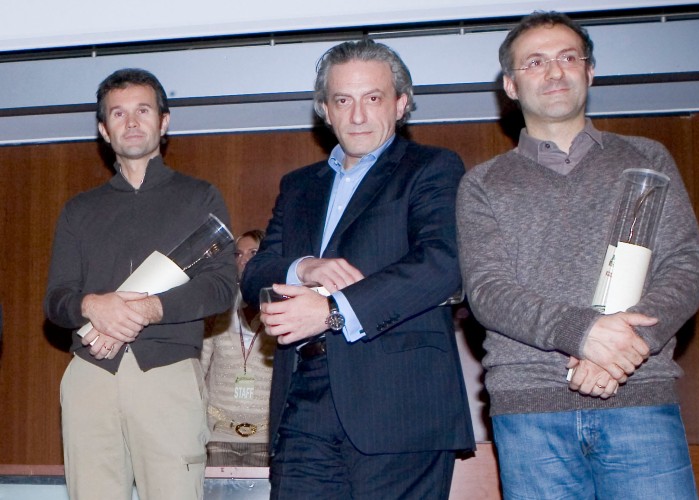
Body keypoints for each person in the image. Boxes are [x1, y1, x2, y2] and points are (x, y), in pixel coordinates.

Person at [456, 11, 699, 499]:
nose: (554, 72)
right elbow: (488, 292)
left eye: (568, 58)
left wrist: (619, 354)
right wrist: (585, 333)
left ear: (589, 72)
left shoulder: (647, 158)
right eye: (535, 62)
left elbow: (684, 265)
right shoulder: (482, 183)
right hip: (530, 411)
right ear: (510, 85)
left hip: (640, 397)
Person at [241, 39, 475, 499]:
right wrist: (304, 267)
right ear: (324, 110)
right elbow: (254, 275)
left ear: (401, 104)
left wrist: (332, 311)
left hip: (400, 404)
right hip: (302, 399)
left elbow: (443, 263)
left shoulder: (432, 167)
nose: (358, 115)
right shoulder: (298, 186)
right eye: (343, 100)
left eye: (373, 98)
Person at [44, 68, 236, 500]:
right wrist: (93, 306)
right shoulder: (79, 210)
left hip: (167, 372)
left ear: (164, 122)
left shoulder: (199, 197)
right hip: (91, 373)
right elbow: (56, 301)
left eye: (143, 110)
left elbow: (221, 287)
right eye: (118, 113)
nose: (131, 122)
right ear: (103, 130)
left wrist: (149, 309)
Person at [202, 229, 275, 467]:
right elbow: (199, 369)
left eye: (253, 253)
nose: (243, 260)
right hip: (218, 434)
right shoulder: (219, 307)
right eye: (238, 254)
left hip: (267, 437)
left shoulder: (283, 308)